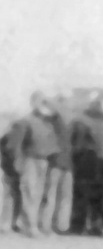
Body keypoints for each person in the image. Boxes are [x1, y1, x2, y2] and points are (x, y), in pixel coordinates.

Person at [9, 92, 63, 237]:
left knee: (39, 194)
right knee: (30, 193)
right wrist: (18, 161)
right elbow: (15, 146)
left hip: (44, 161)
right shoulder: (24, 122)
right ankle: (30, 227)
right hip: (29, 160)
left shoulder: (48, 124)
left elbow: (53, 143)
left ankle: (35, 226)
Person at [70, 94, 103, 236]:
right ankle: (93, 225)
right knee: (96, 195)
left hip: (91, 161)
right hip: (97, 161)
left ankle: (82, 225)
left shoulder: (83, 122)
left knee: (85, 194)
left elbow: (76, 144)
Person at [42, 96, 73, 234]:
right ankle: (48, 225)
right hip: (56, 164)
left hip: (66, 164)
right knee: (52, 196)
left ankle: (60, 226)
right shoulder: (52, 123)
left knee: (62, 197)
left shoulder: (68, 124)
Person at [0, 122, 20, 234]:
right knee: (10, 196)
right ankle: (6, 224)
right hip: (10, 171)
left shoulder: (7, 138)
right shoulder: (8, 139)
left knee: (13, 197)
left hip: (11, 170)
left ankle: (10, 223)